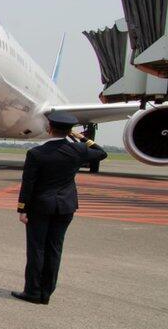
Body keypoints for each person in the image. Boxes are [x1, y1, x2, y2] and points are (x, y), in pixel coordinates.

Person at [13, 111, 107, 305]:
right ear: (69, 131)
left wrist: (22, 209)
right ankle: (46, 293)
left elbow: (28, 184)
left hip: (40, 207)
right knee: (55, 249)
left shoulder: (36, 153)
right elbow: (101, 153)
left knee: (37, 249)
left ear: (49, 128)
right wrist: (81, 138)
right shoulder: (78, 150)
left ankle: (32, 291)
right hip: (65, 207)